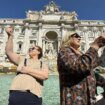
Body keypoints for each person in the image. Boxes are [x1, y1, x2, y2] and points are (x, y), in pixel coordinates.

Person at [57, 31, 105, 105]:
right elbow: (78, 67)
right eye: (76, 35)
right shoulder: (64, 51)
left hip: (90, 99)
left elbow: (93, 71)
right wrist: (95, 46)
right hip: (74, 99)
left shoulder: (82, 55)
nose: (79, 37)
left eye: (80, 36)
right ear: (68, 37)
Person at [5, 26, 49, 105]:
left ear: (39, 52)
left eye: (33, 48)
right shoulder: (22, 59)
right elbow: (9, 52)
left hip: (32, 95)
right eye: (30, 48)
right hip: (15, 94)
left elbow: (45, 76)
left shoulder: (42, 63)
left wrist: (27, 70)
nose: (30, 48)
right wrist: (10, 36)